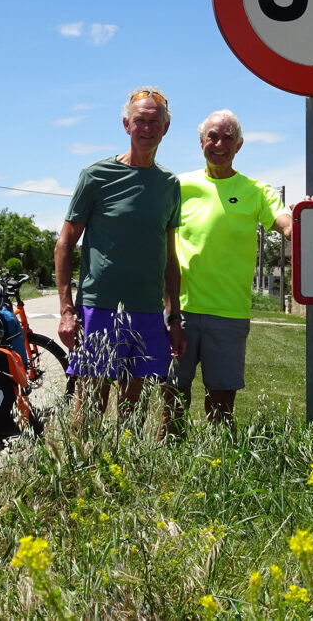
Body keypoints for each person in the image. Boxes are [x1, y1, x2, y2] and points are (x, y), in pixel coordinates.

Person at [54, 86, 186, 425]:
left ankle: (121, 475)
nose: (147, 129)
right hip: (100, 307)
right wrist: (67, 311)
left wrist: (174, 317)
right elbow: (65, 245)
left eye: (154, 122)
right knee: (91, 409)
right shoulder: (96, 176)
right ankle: (83, 475)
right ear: (126, 124)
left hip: (147, 311)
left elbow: (169, 257)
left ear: (165, 128)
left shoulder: (169, 184)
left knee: (133, 413)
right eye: (140, 121)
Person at [162, 110, 293, 438]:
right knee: (172, 399)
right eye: (213, 137)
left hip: (229, 313)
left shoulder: (255, 190)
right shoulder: (179, 186)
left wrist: (310, 216)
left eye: (228, 138)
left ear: (239, 146)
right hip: (182, 312)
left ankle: (217, 470)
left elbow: (287, 224)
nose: (219, 144)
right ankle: (166, 469)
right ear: (201, 142)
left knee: (221, 406)